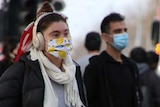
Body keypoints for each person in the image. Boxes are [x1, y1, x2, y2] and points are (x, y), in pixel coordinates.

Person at [0, 2, 87, 107]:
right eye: (55, 35)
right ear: (39, 40)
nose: (63, 39)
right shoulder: (19, 71)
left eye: (66, 33)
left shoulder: (73, 70)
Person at [83, 12, 143, 107]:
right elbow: (88, 100)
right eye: (118, 31)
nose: (123, 35)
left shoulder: (131, 65)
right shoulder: (95, 67)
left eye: (125, 30)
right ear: (105, 37)